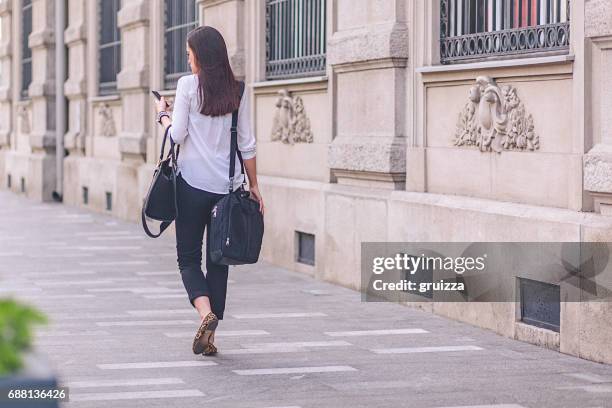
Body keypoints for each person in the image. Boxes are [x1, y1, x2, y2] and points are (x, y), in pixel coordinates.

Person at [154, 26, 264, 356]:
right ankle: (211, 334)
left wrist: (163, 114)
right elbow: (246, 143)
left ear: (201, 57)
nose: (188, 62)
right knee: (219, 260)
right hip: (226, 190)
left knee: (188, 259)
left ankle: (205, 314)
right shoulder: (239, 90)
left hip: (190, 187)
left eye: (190, 56)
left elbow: (177, 135)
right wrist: (255, 186)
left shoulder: (188, 86)